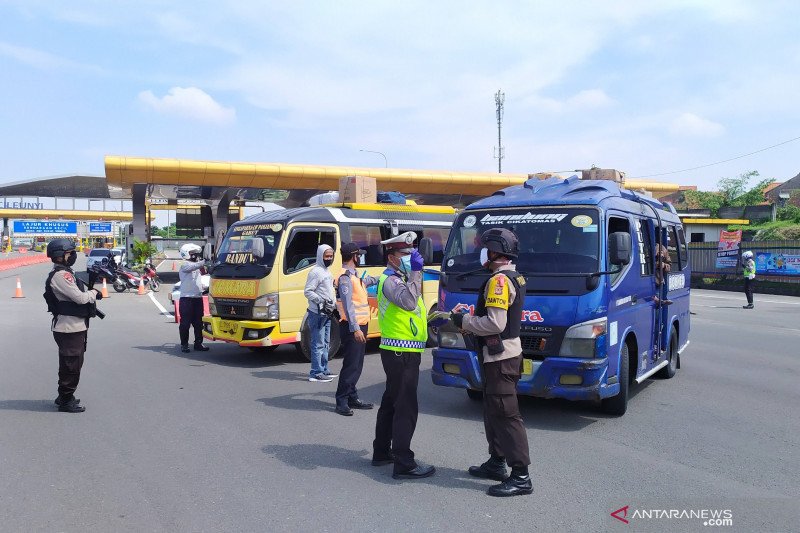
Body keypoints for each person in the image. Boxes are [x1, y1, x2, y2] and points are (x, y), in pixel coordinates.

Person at [449, 228, 532, 497]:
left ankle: (521, 476)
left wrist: (464, 322)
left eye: (485, 248)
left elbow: (496, 323)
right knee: (494, 411)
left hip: (501, 358)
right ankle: (497, 463)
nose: (481, 253)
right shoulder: (513, 276)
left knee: (506, 415)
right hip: (500, 356)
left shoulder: (499, 281)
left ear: (496, 251)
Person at [372, 231, 435, 480]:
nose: (411, 257)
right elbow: (409, 302)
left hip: (403, 350)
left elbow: (413, 312)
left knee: (391, 402)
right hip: (401, 353)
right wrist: (418, 272)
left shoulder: (402, 277)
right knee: (406, 407)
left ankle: (381, 452)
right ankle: (404, 462)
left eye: (413, 253)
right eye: (405, 254)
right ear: (392, 257)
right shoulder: (391, 281)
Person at [44, 238, 103, 413]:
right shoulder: (61, 275)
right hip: (69, 328)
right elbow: (80, 298)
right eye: (70, 253)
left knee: (73, 363)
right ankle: (65, 399)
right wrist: (93, 293)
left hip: (74, 327)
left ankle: (64, 395)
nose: (73, 256)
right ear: (60, 256)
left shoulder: (65, 272)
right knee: (71, 365)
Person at [333, 242, 379, 416]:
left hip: (360, 325)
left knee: (357, 364)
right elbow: (348, 305)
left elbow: (364, 282)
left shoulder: (354, 276)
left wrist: (382, 277)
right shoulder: (345, 278)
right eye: (359, 255)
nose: (360, 257)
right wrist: (355, 329)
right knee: (351, 365)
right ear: (354, 256)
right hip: (353, 327)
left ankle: (352, 396)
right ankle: (342, 400)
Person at [303, 244, 338, 383]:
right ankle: (315, 373)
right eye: (326, 256)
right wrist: (321, 301)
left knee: (326, 342)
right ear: (320, 256)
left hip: (327, 312)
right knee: (317, 343)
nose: (329, 258)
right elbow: (308, 291)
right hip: (317, 313)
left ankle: (324, 369)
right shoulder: (315, 272)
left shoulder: (326, 271)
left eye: (331, 256)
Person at [178, 243, 210, 353]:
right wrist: (204, 261)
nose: (195, 255)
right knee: (185, 323)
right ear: (186, 254)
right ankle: (184, 345)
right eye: (193, 253)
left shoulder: (196, 265)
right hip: (186, 298)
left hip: (197, 297)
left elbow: (204, 272)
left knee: (198, 322)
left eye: (195, 253)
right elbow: (192, 267)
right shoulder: (184, 264)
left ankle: (198, 343)